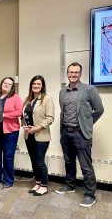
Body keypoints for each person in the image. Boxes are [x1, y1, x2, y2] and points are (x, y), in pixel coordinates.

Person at [55, 62, 104, 208]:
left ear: (80, 74)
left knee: (85, 165)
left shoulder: (89, 89)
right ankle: (70, 185)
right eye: (71, 72)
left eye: (76, 72)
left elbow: (99, 110)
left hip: (80, 134)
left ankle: (90, 195)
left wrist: (87, 124)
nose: (73, 74)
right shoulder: (62, 92)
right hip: (65, 132)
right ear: (67, 73)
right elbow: (63, 112)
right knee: (69, 162)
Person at [22, 75, 55, 196]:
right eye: (34, 84)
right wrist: (23, 125)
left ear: (42, 86)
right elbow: (23, 115)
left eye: (38, 84)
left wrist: (37, 128)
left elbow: (50, 118)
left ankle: (44, 185)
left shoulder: (47, 99)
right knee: (33, 160)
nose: (36, 86)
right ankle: (38, 182)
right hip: (28, 135)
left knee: (40, 160)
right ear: (31, 85)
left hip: (41, 135)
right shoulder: (27, 99)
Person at [0, 77, 23, 188]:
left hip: (11, 131)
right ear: (1, 83)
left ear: (12, 87)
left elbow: (19, 111)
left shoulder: (15, 97)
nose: (6, 85)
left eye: (9, 84)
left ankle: (8, 180)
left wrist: (4, 115)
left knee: (8, 156)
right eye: (5, 83)